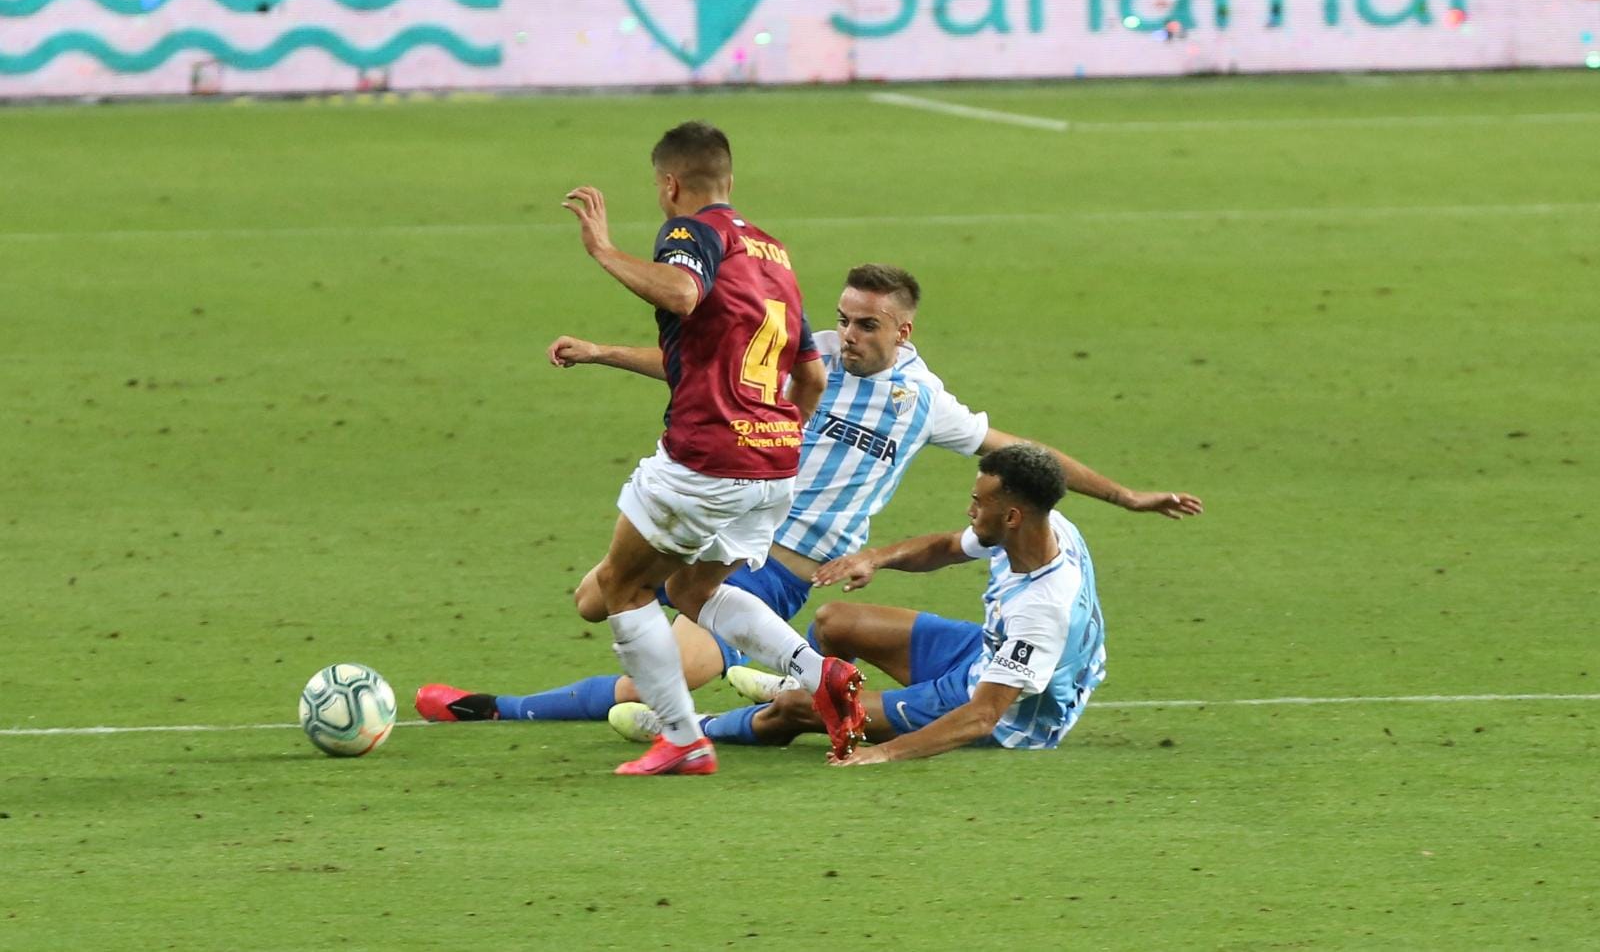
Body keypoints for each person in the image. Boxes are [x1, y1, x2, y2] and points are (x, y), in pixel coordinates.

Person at [416, 264, 1200, 744]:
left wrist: (1125, 495)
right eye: (843, 317)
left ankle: (500, 709)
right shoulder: (808, 351)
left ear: (903, 327)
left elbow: (1024, 455)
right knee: (593, 600)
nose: (847, 334)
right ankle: (763, 678)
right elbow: (699, 372)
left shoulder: (921, 401)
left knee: (666, 673)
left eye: (865, 324)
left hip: (776, 566)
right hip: (710, 518)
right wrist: (601, 352)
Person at [497, 119, 864, 776]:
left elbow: (683, 293)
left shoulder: (690, 233)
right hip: (775, 463)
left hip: (707, 457)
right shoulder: (774, 255)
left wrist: (604, 249)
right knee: (693, 586)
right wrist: (774, 432)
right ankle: (820, 672)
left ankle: (683, 737)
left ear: (670, 185)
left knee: (622, 585)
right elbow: (807, 376)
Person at [645, 442, 1107, 763]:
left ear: (1011, 516)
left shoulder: (1042, 610)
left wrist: (884, 752)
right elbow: (947, 546)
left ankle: (692, 726)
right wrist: (873, 558)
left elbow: (984, 715)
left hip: (1007, 715)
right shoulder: (1043, 527)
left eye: (977, 503)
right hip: (985, 655)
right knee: (834, 622)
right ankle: (801, 685)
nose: (969, 510)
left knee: (796, 713)